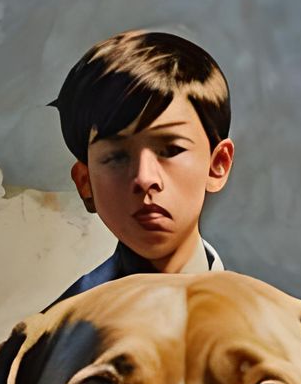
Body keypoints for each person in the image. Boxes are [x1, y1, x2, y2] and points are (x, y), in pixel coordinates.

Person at [53, 27, 234, 297]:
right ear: (85, 181)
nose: (145, 178)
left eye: (171, 150)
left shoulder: (276, 317)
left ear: (217, 165)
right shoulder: (62, 322)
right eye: (117, 157)